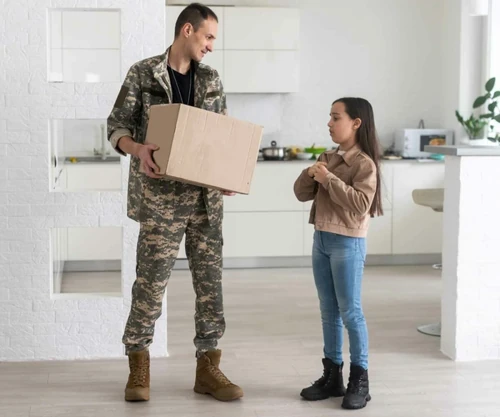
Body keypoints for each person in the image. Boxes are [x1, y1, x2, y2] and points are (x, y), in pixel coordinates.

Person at [107, 3, 243, 403]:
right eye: (209, 37)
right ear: (188, 30)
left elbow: (220, 136)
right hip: (160, 203)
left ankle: (208, 368)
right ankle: (138, 365)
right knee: (149, 286)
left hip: (205, 203)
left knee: (210, 289)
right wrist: (137, 149)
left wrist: (227, 173)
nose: (212, 46)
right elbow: (116, 126)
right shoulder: (143, 73)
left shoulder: (213, 80)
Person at [293, 97, 383, 410]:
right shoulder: (327, 157)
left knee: (350, 312)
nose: (329, 123)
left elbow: (361, 204)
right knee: (328, 310)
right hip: (321, 239)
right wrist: (311, 173)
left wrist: (328, 178)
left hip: (347, 242)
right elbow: (302, 193)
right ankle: (332, 375)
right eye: (330, 117)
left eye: (336, 117)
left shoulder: (364, 164)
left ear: (356, 123)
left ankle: (360, 378)